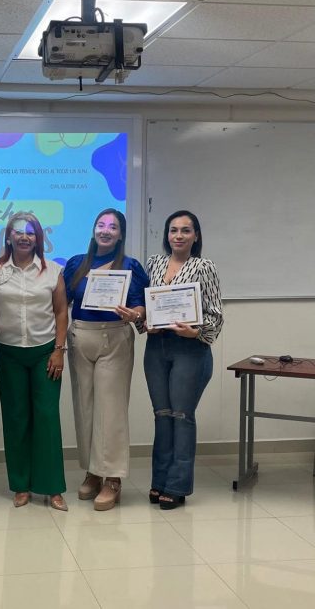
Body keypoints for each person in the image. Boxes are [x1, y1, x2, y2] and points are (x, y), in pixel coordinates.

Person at [0, 212, 69, 511]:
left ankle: (52, 487)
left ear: (38, 238)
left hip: (45, 353)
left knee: (47, 418)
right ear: (9, 236)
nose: (24, 236)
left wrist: (59, 349)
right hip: (9, 354)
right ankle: (21, 485)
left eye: (31, 232)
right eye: (18, 231)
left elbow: (60, 312)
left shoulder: (53, 271)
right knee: (16, 418)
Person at [63, 209, 148, 510]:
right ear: (93, 229)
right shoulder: (76, 263)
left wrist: (135, 313)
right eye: (101, 224)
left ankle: (113, 478)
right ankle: (92, 472)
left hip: (114, 338)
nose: (106, 230)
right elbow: (63, 304)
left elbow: (142, 306)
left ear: (121, 234)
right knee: (84, 407)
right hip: (80, 337)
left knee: (110, 409)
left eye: (113, 227)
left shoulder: (131, 266)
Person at [143, 210, 223, 510]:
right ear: (166, 234)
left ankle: (177, 486)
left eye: (186, 231)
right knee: (162, 414)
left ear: (196, 236)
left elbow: (216, 314)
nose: (178, 235)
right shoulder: (155, 263)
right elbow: (146, 304)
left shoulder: (204, 267)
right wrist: (144, 322)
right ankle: (159, 480)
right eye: (173, 230)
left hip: (190, 349)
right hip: (155, 347)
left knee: (182, 417)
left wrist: (195, 331)